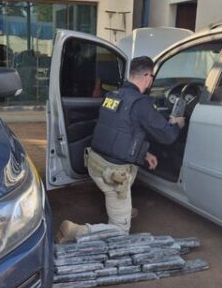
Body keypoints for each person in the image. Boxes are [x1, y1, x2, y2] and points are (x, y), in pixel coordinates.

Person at [56, 56, 186, 243]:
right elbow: (167, 136)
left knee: (128, 174)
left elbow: (122, 132)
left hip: (94, 163)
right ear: (148, 76)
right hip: (114, 175)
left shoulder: (112, 96)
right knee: (120, 231)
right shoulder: (141, 103)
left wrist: (145, 153)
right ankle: (78, 231)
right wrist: (177, 124)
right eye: (151, 77)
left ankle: (123, 209)